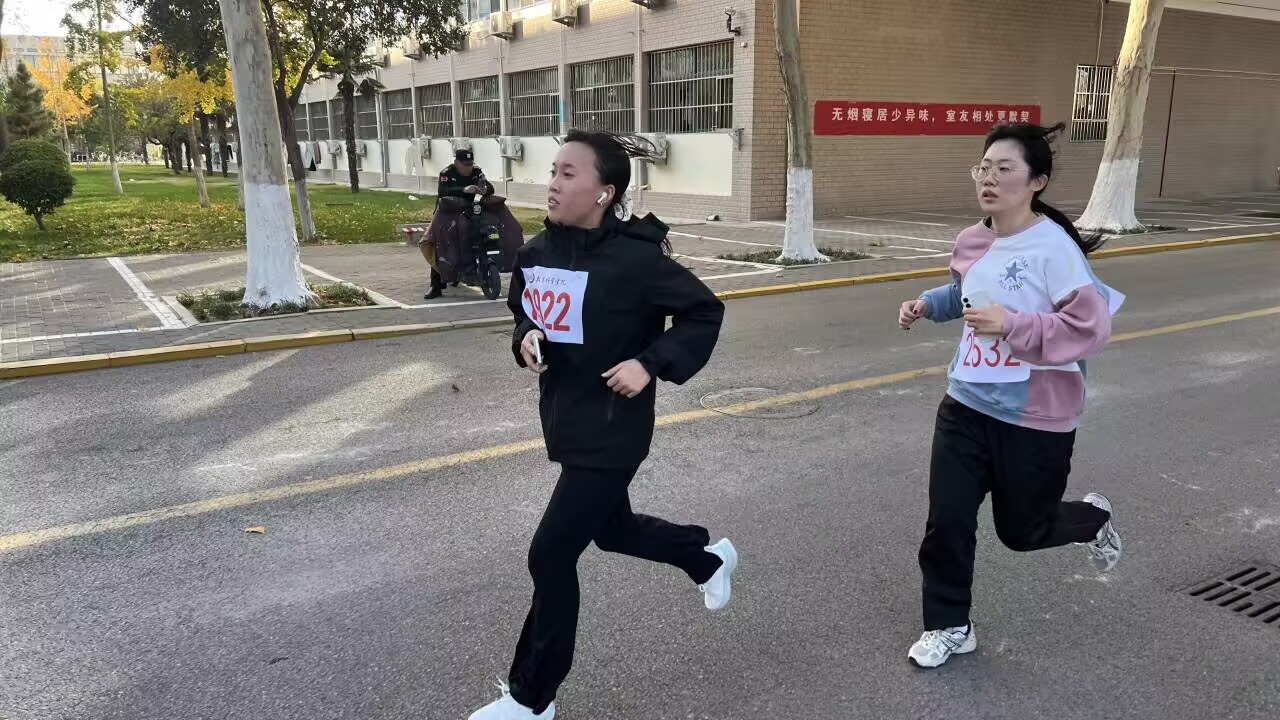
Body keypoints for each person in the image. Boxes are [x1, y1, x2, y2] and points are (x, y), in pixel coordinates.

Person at [468, 130, 738, 720]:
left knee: (549, 555)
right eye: (553, 171)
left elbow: (704, 311)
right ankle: (706, 558)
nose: (553, 183)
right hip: (565, 419)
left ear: (603, 192)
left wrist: (650, 362)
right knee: (612, 531)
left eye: (569, 174)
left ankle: (532, 698)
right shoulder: (536, 254)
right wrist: (526, 339)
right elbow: (523, 314)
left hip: (616, 428)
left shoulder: (637, 261)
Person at [897, 122, 1124, 669]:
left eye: (1005, 169)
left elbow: (1090, 329)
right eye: (984, 168)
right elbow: (968, 292)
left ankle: (1091, 520)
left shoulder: (1055, 249)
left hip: (1035, 417)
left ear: (1036, 181)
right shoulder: (972, 240)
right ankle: (950, 625)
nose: (990, 179)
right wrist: (929, 304)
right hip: (966, 403)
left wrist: (1014, 325)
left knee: (1024, 531)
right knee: (947, 521)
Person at [423, 149, 494, 299]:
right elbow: (443, 191)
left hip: (468, 211)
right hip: (447, 211)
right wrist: (464, 189)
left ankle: (477, 269)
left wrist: (484, 189)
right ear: (457, 163)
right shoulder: (447, 173)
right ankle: (435, 285)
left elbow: (490, 188)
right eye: (465, 164)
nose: (468, 168)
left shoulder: (477, 172)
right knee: (439, 242)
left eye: (470, 164)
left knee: (479, 233)